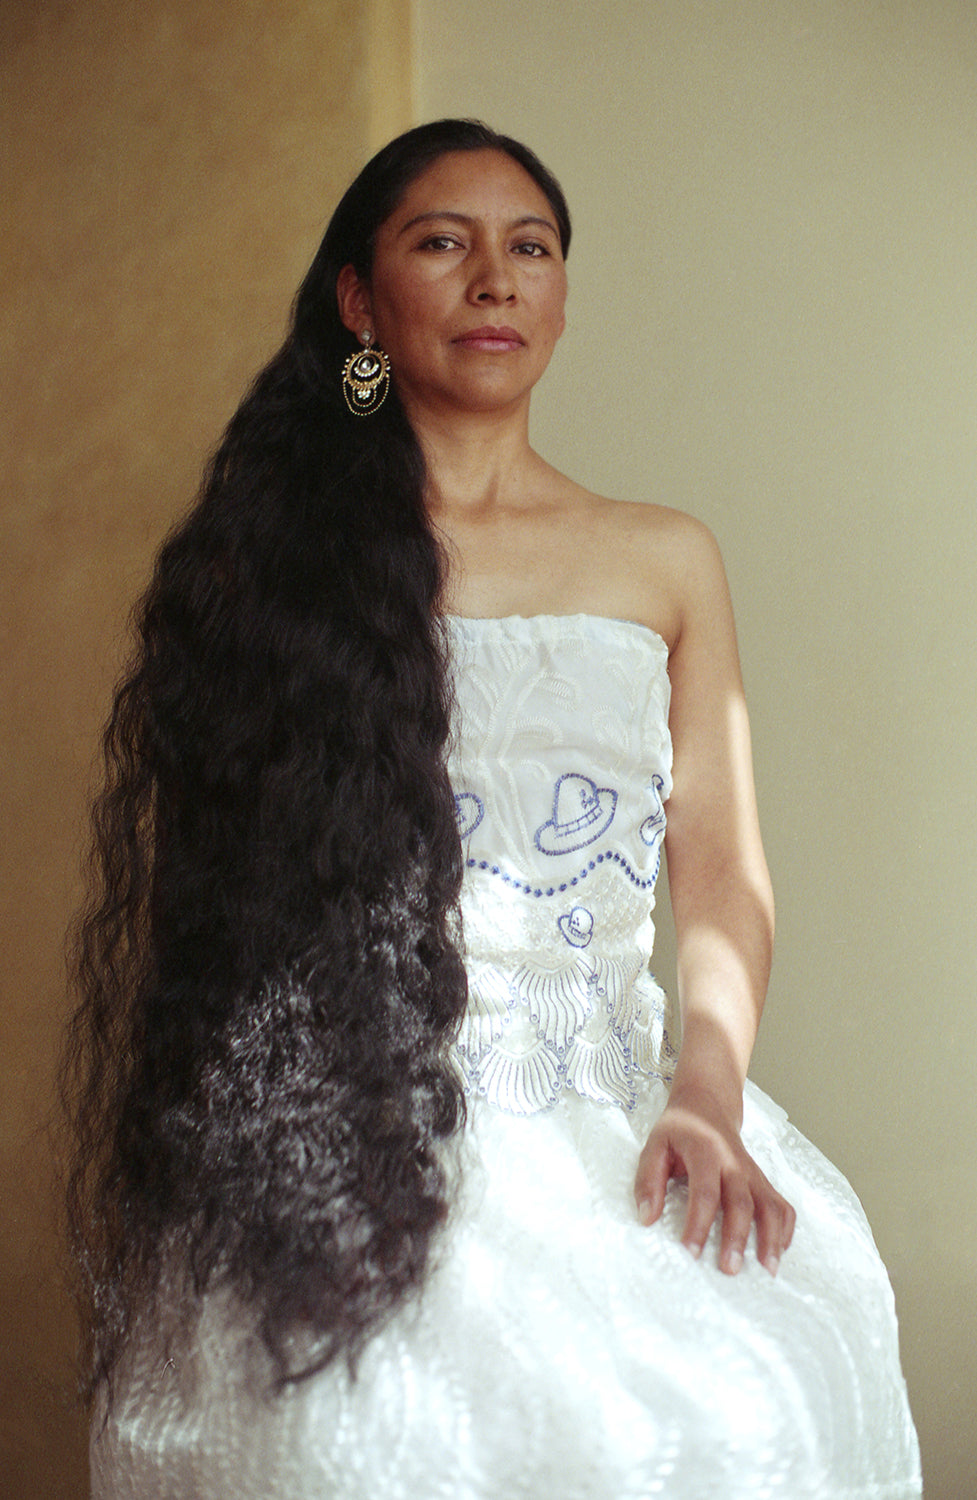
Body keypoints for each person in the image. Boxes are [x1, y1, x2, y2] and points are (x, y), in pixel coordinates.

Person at [66, 119, 921, 1498]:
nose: (493, 278)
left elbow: (717, 865)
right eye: (441, 243)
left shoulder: (663, 559)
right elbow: (225, 915)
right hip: (346, 1138)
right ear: (359, 301)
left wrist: (707, 1091)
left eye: (529, 247)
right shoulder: (269, 574)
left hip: (623, 1120)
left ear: (561, 294)